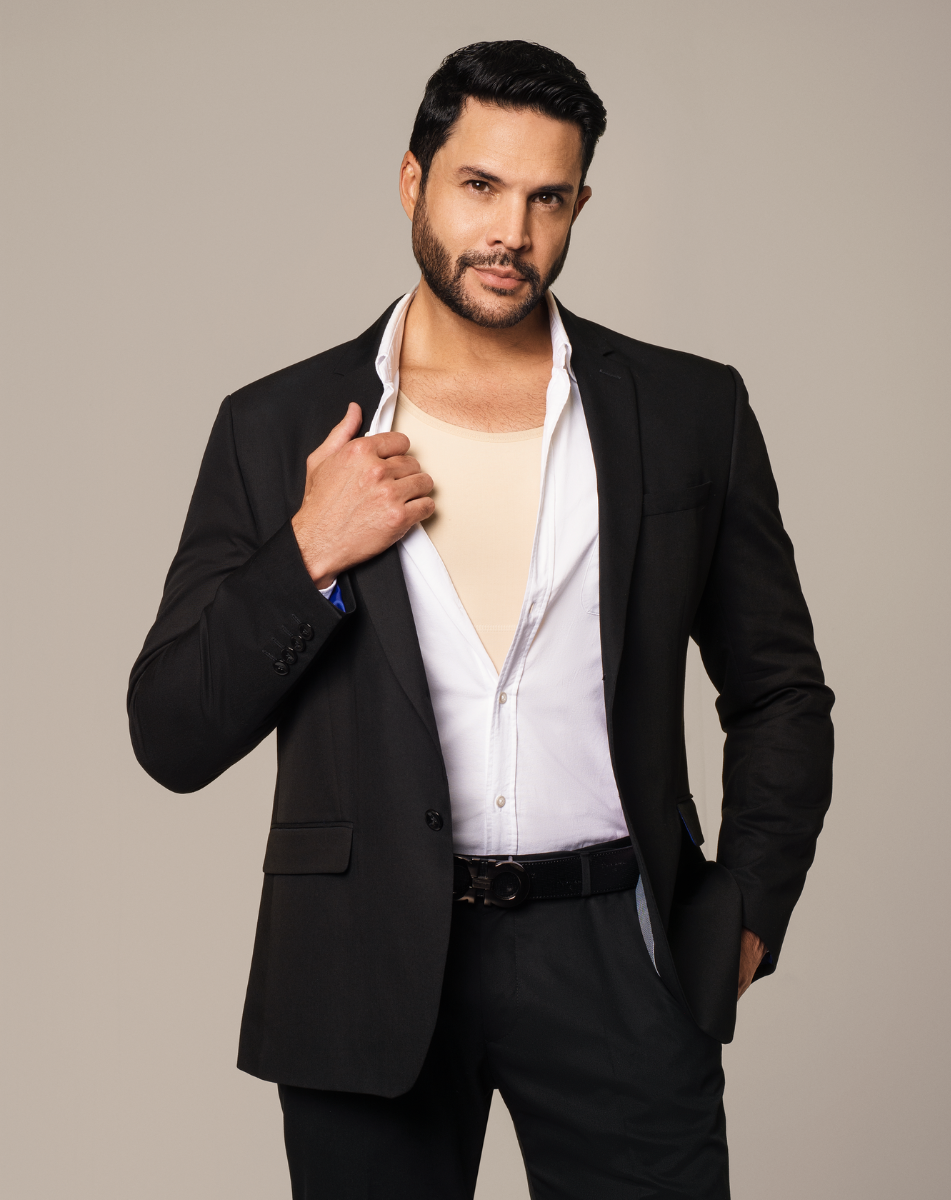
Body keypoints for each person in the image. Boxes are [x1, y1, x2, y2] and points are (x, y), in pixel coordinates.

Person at [128, 39, 834, 1200]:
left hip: (617, 948)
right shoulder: (277, 424)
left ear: (579, 207)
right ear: (413, 181)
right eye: (479, 186)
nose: (511, 230)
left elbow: (779, 690)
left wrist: (747, 909)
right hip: (362, 956)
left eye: (546, 198)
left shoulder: (687, 410)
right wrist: (308, 551)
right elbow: (171, 733)